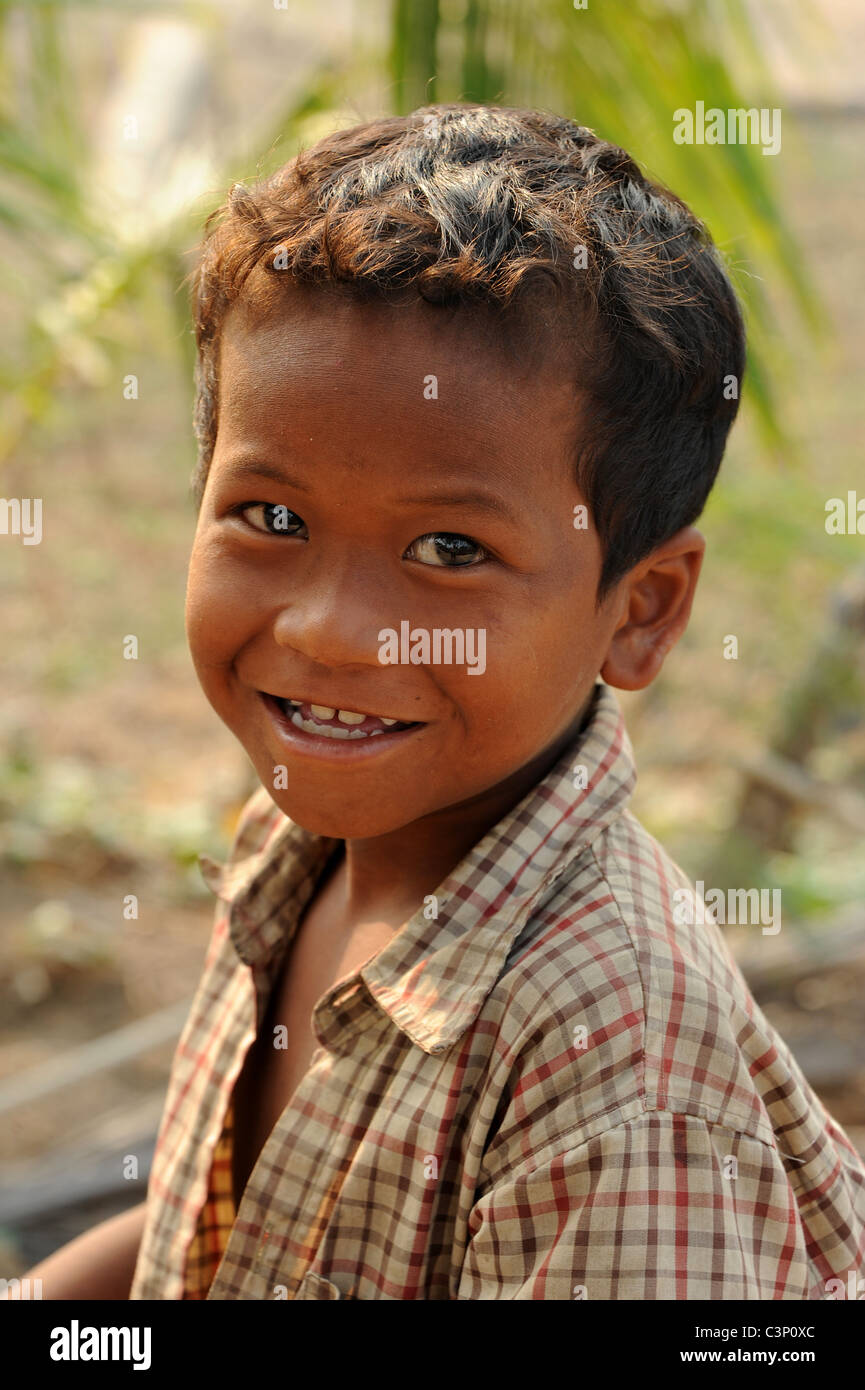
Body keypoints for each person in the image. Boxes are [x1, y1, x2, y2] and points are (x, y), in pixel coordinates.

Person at [17, 103, 865, 1300]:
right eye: (273, 518)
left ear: (641, 609)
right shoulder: (300, 843)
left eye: (450, 551)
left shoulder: (613, 1073)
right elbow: (222, 1224)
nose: (325, 628)